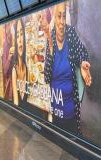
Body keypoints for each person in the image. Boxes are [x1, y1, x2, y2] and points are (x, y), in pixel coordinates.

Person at [41, 3, 92, 134]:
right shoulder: (50, 37)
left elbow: (82, 51)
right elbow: (46, 76)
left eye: (64, 16)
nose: (62, 21)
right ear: (54, 18)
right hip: (56, 108)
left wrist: (82, 64)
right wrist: (51, 45)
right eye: (59, 16)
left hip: (71, 108)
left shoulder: (70, 33)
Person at [12, 19, 27, 106]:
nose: (20, 40)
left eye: (21, 34)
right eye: (17, 36)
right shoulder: (14, 71)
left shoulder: (27, 68)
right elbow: (16, 103)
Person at [1, 22, 15, 101]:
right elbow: (5, 70)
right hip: (12, 86)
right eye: (9, 27)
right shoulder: (6, 46)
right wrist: (10, 57)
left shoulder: (14, 41)